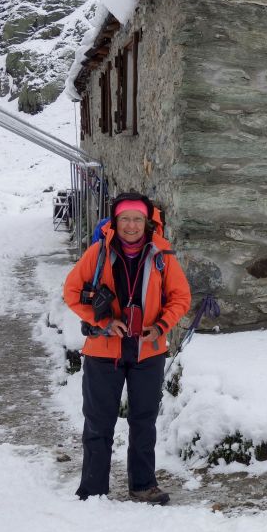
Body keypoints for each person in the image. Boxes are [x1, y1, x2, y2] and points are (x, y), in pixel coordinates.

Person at [63, 192, 191, 504]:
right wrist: (102, 322)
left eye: (137, 219)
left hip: (148, 351)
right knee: (98, 422)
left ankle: (143, 486)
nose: (131, 225)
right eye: (125, 219)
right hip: (103, 351)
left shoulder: (162, 254)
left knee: (144, 422)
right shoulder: (98, 253)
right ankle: (93, 490)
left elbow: (180, 297)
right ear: (115, 221)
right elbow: (71, 291)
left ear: (148, 222)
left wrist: (160, 327)